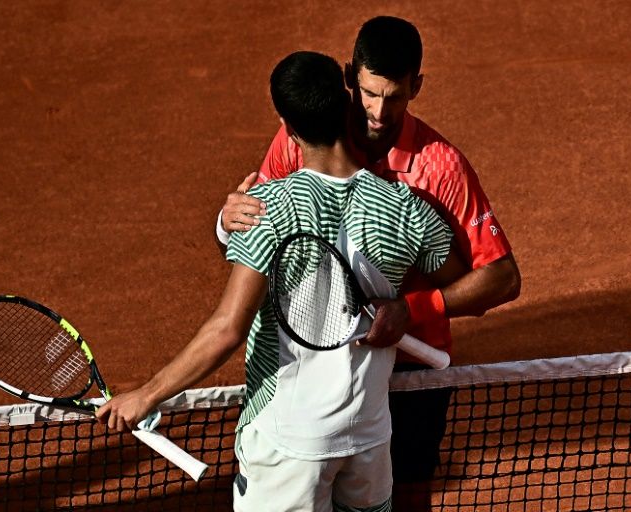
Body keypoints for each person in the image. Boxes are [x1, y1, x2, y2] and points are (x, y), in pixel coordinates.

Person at [99, 51, 466, 511]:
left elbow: (228, 328)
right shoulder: (406, 208)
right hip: (369, 437)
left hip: (288, 444)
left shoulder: (265, 209)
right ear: (346, 101)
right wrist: (403, 304)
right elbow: (457, 275)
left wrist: (146, 395)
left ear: (284, 123)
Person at [216, 16, 521, 510]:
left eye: (396, 96)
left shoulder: (440, 167)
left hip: (410, 374)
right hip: (320, 375)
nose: (379, 112)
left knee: (410, 499)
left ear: (416, 86)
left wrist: (411, 308)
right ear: (348, 74)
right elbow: (259, 224)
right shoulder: (304, 139)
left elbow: (502, 279)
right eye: (369, 93)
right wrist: (227, 219)